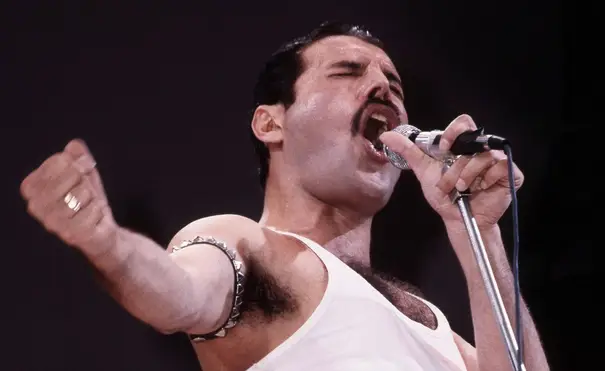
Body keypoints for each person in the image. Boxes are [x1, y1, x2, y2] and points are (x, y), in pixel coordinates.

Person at [19, 21, 549, 371]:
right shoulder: (249, 246)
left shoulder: (432, 324)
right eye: (347, 72)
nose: (385, 88)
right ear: (270, 122)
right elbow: (180, 292)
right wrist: (108, 245)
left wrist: (475, 230)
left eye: (395, 83)